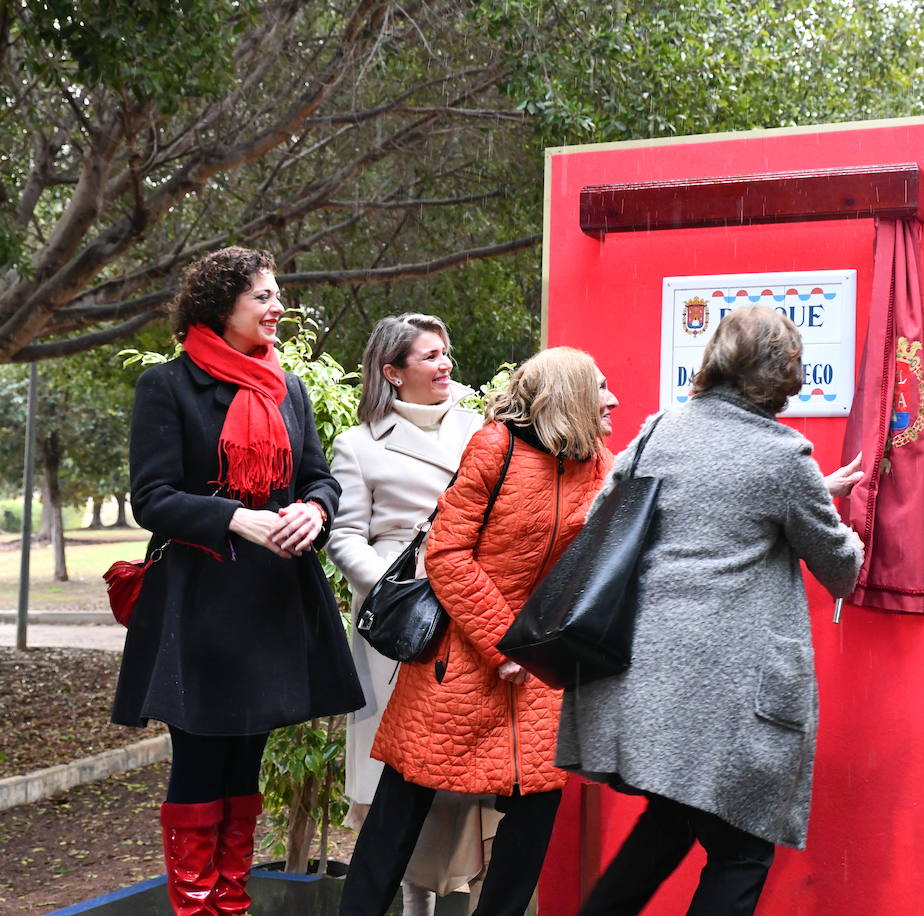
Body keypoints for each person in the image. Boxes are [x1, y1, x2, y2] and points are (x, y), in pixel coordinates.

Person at [556, 305, 865, 915]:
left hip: (646, 681)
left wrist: (804, 493)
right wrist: (844, 530)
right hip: (729, 693)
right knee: (742, 852)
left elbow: (602, 524)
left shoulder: (659, 430)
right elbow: (840, 568)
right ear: (781, 374)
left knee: (667, 826)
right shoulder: (782, 455)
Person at [111, 247, 364, 916]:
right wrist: (237, 520)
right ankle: (196, 906)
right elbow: (152, 498)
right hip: (198, 603)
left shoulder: (288, 387)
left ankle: (230, 901)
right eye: (263, 296)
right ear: (221, 306)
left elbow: (317, 477)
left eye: (276, 294)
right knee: (199, 762)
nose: (278, 307)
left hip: (272, 600)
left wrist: (314, 509)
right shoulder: (167, 385)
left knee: (246, 762)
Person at [339, 346, 619, 916]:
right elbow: (447, 553)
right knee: (402, 802)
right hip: (461, 657)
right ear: (567, 396)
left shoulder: (595, 461)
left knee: (536, 807)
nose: (611, 398)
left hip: (540, 666)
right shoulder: (496, 445)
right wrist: (501, 641)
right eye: (600, 387)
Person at [327, 314, 491, 915]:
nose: (445, 364)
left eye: (446, 353)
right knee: (397, 776)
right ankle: (410, 902)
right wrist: (395, 590)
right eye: (430, 356)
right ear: (392, 372)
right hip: (401, 626)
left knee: (464, 772)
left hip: (472, 614)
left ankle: (463, 898)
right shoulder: (358, 444)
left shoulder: (483, 431)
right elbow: (344, 537)